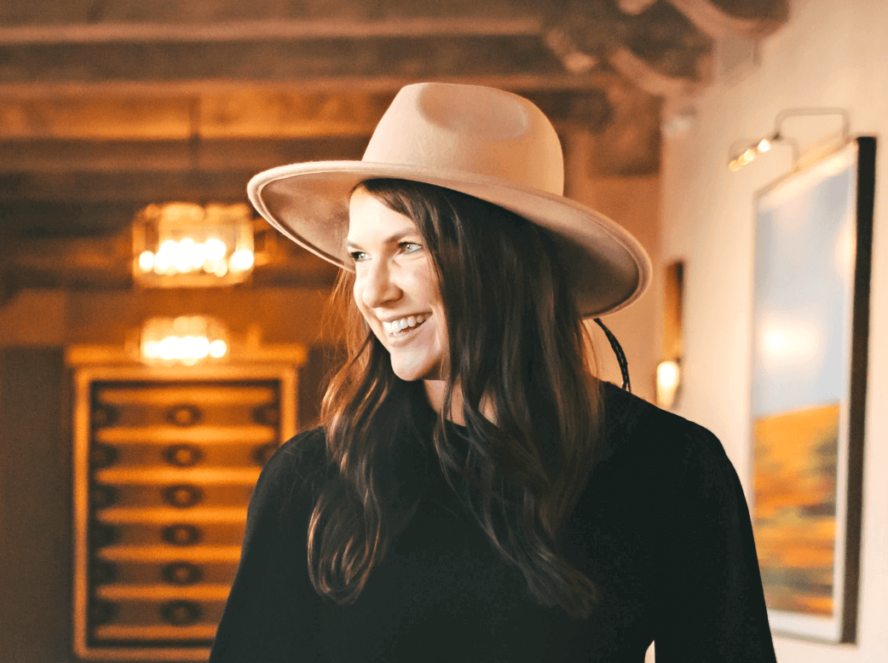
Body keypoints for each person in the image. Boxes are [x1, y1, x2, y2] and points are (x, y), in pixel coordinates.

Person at [209, 83, 776, 662]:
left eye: (408, 245)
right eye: (359, 255)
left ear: (506, 263)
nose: (372, 292)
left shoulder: (670, 469)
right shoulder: (312, 478)